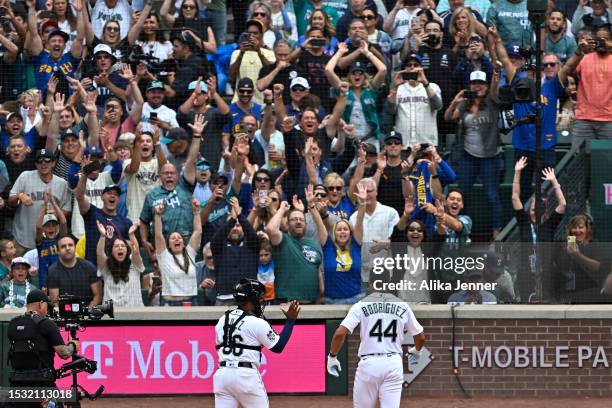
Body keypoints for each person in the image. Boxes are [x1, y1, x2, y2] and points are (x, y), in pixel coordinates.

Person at [327, 292, 426, 407]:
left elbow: (340, 333)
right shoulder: (402, 305)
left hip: (369, 364)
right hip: (393, 363)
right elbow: (421, 336)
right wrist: (417, 350)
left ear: (370, 284)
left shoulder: (360, 305)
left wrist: (332, 357)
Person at [214, 278, 300, 408]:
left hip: (222, 376)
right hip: (246, 376)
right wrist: (290, 321)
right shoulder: (256, 322)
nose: (261, 301)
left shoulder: (222, 319)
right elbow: (278, 346)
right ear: (251, 299)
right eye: (259, 298)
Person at [445, 70, 502, 239]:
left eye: (481, 83)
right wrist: (455, 101)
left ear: (486, 85)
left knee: (492, 195)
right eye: (474, 83)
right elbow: (448, 117)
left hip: (490, 156)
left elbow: (496, 84)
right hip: (468, 155)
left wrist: (495, 71)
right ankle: (463, 231)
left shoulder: (492, 101)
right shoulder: (464, 105)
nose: (477, 86)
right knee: (463, 194)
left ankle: (496, 235)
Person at [7, 289, 79, 402]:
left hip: (17, 384)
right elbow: (64, 353)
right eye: (46, 305)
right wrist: (73, 345)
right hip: (43, 384)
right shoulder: (47, 324)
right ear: (41, 304)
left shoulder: (12, 324)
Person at [512, 158, 566, 302]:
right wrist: (517, 173)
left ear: (545, 209)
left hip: (546, 272)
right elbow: (515, 197)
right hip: (526, 272)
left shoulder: (549, 224)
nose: (536, 207)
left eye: (540, 204)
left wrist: (554, 181)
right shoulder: (524, 222)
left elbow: (563, 204)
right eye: (534, 204)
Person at [211, 197, 261, 306]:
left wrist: (239, 216)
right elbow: (216, 239)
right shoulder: (219, 246)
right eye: (232, 225)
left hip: (248, 299)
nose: (234, 228)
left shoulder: (252, 245)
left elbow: (253, 235)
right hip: (224, 299)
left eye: (238, 226)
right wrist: (233, 220)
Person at [323, 182, 366, 304]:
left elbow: (360, 220)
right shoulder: (328, 246)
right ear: (334, 233)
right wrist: (312, 206)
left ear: (350, 232)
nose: (342, 232)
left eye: (345, 229)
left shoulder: (356, 244)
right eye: (339, 229)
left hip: (356, 299)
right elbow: (321, 221)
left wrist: (362, 204)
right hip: (332, 301)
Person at [154, 199, 201, 306]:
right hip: (170, 303)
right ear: (168, 245)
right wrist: (157, 215)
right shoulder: (164, 256)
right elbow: (158, 235)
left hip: (191, 303)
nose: (176, 239)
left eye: (179, 238)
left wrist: (196, 212)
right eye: (173, 238)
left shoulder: (190, 253)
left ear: (183, 243)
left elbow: (198, 231)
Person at [388, 54, 442, 147]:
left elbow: (438, 106)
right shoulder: (398, 89)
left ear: (421, 68)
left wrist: (425, 83)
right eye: (409, 65)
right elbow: (390, 111)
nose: (412, 67)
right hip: (404, 144)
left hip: (427, 144)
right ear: (404, 68)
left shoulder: (432, 86)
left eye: (416, 65)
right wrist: (394, 87)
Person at [96, 221, 144, 307]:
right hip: (112, 315)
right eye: (116, 246)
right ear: (111, 251)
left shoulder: (134, 264)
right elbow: (100, 253)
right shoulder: (106, 266)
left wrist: (131, 235)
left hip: (135, 313)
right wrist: (103, 236)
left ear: (127, 250)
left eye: (123, 246)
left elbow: (136, 251)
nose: (120, 248)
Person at [47, 235, 102, 306]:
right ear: (58, 251)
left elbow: (98, 295)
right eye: (63, 246)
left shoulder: (89, 267)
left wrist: (87, 312)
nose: (67, 248)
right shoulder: (52, 271)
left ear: (75, 247)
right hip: (64, 314)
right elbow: (55, 302)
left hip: (88, 312)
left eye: (70, 245)